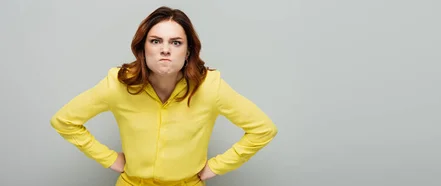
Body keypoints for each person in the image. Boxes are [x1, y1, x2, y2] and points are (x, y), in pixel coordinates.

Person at [50, 6, 278, 186]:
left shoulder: (210, 86)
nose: (165, 49)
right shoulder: (118, 83)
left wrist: (215, 167)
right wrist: (110, 159)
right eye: (156, 41)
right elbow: (65, 121)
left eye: (176, 42)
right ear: (143, 49)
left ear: (188, 52)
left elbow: (263, 129)